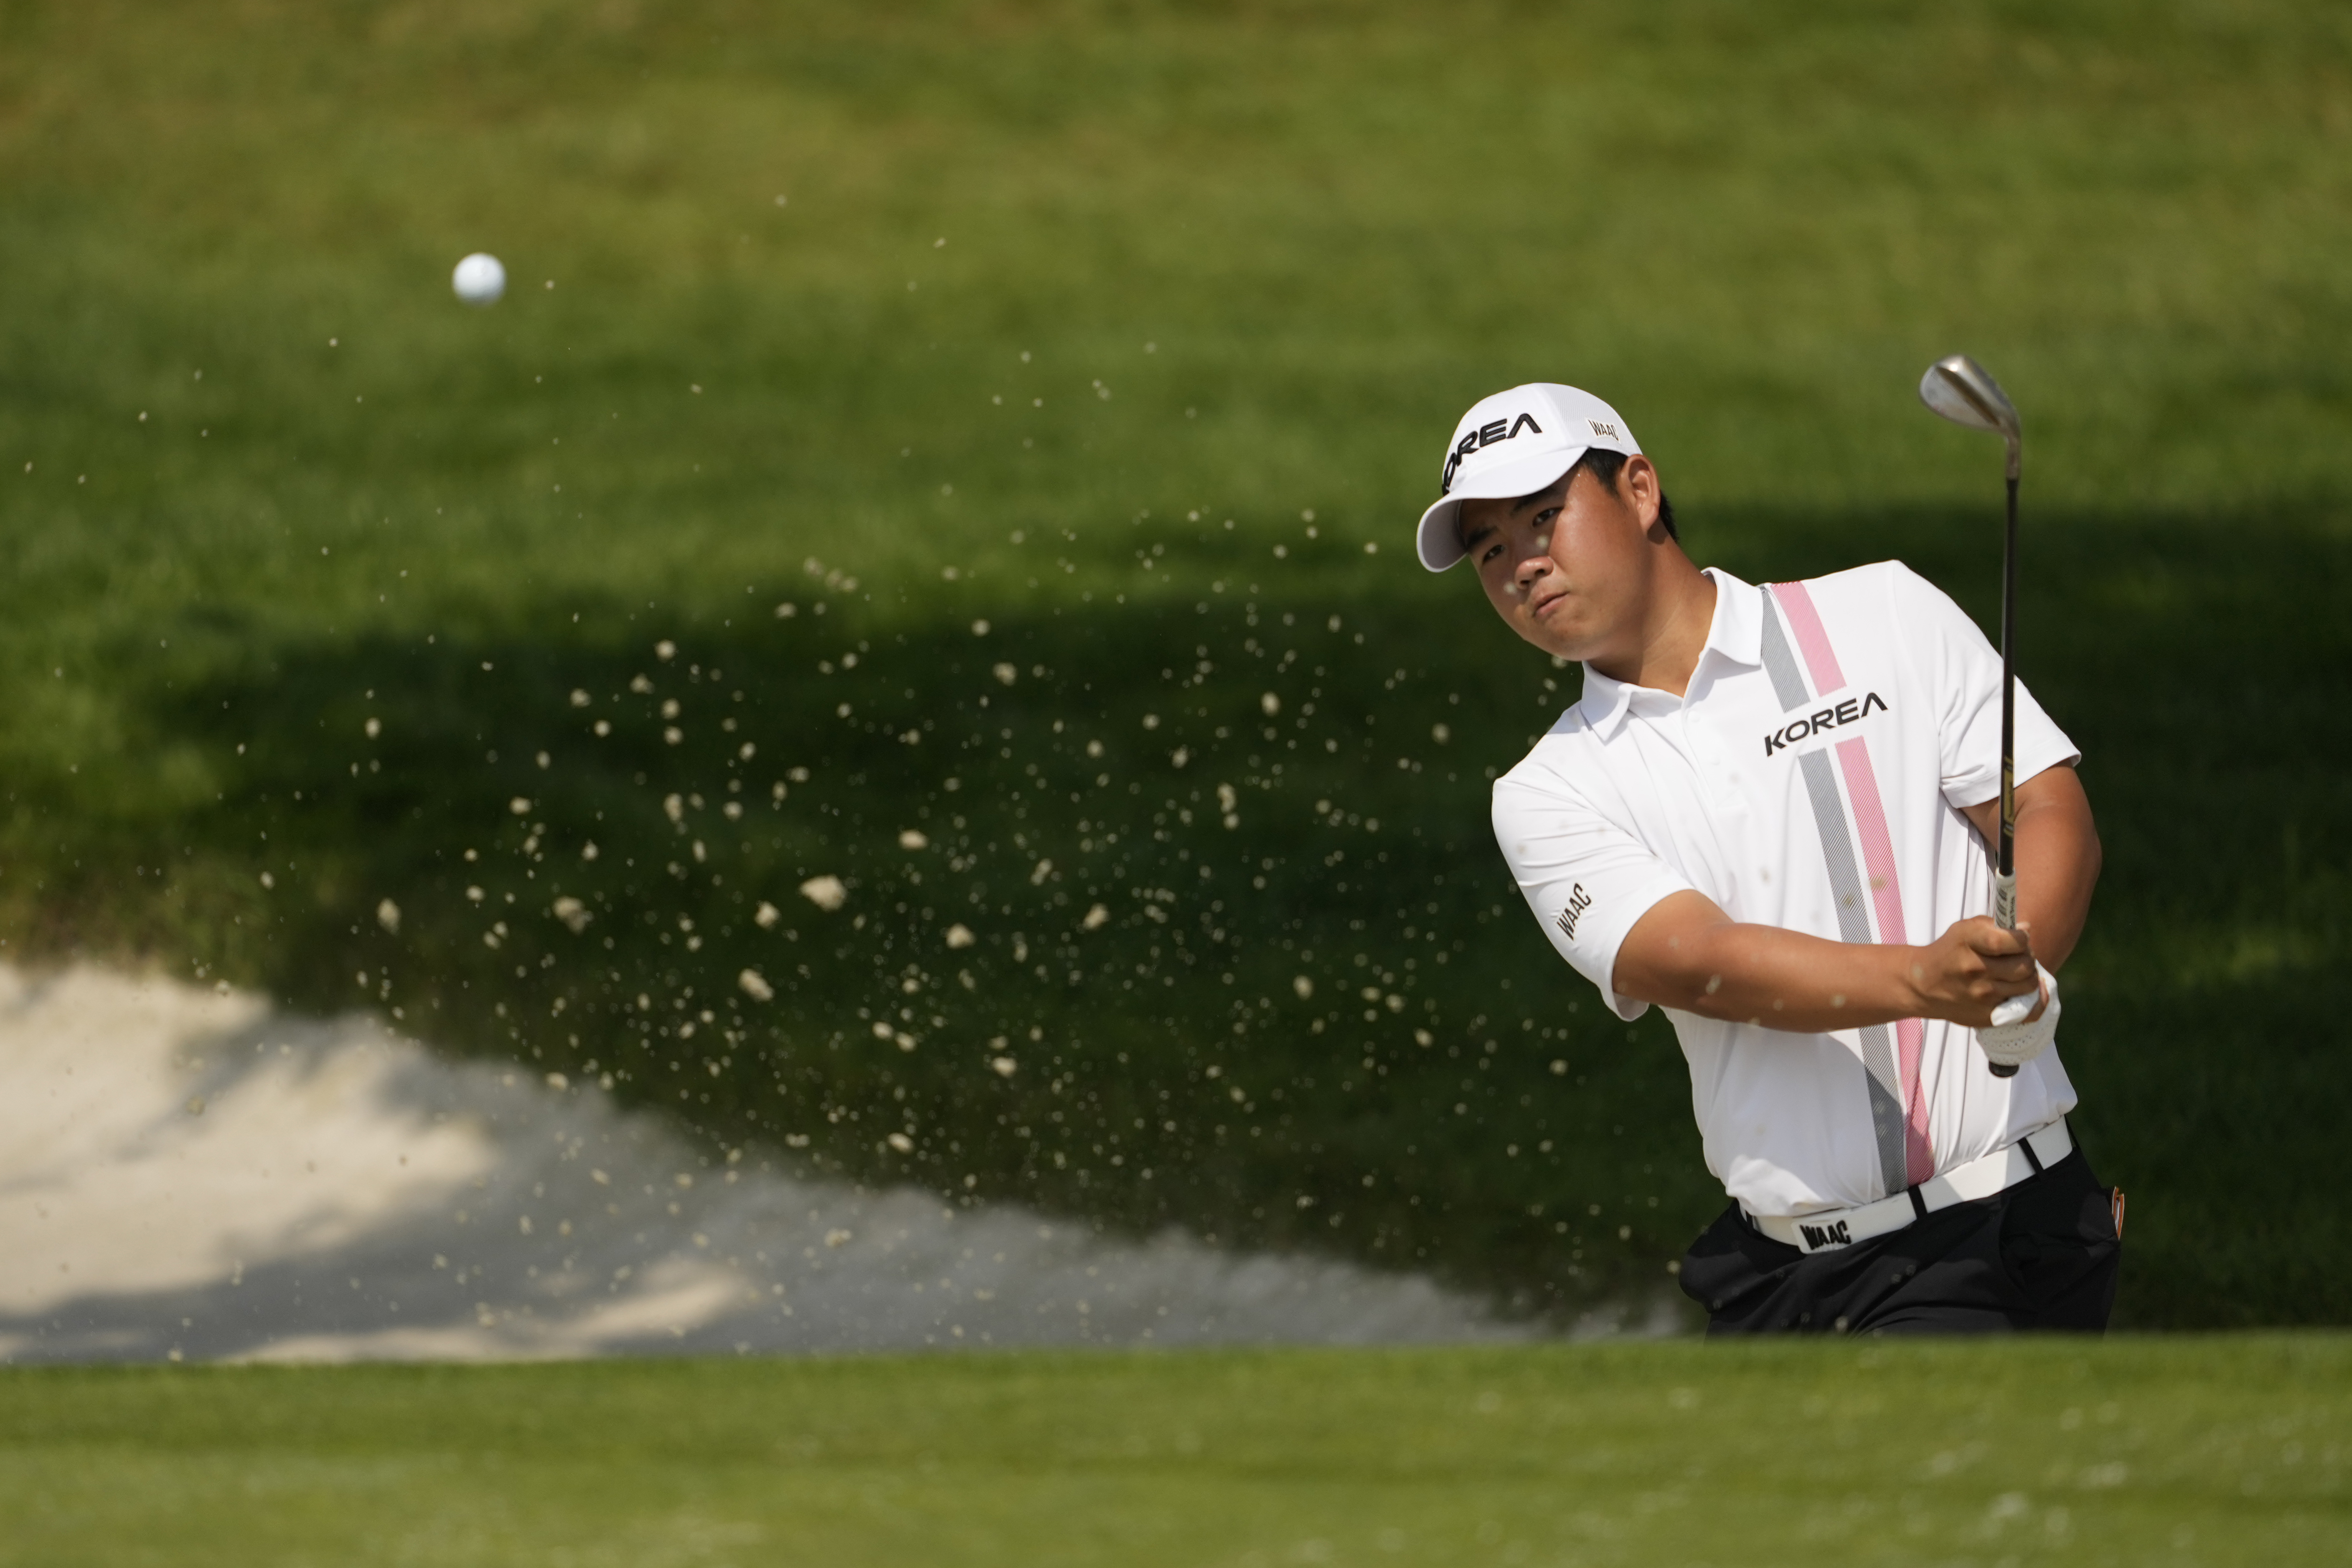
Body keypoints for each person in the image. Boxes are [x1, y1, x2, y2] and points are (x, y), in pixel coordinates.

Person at [1415, 382, 2121, 1334]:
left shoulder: (1885, 613)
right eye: (1490, 549)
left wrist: (2016, 959)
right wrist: (1925, 979)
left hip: (2021, 1221)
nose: (1522, 566)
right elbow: (1702, 962)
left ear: (1638, 488)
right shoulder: (1548, 791)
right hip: (1808, 1276)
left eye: (1544, 518)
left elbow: (2044, 804)